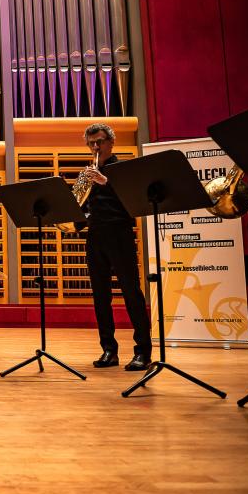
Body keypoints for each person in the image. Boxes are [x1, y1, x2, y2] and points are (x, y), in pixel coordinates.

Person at [81, 123, 152, 371]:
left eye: (100, 141)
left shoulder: (123, 169)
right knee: (100, 297)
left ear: (112, 142)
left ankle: (143, 351)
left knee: (131, 293)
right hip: (95, 236)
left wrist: (106, 181)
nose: (95, 146)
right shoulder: (87, 174)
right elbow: (83, 208)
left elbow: (134, 200)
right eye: (91, 143)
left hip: (119, 234)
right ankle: (109, 350)